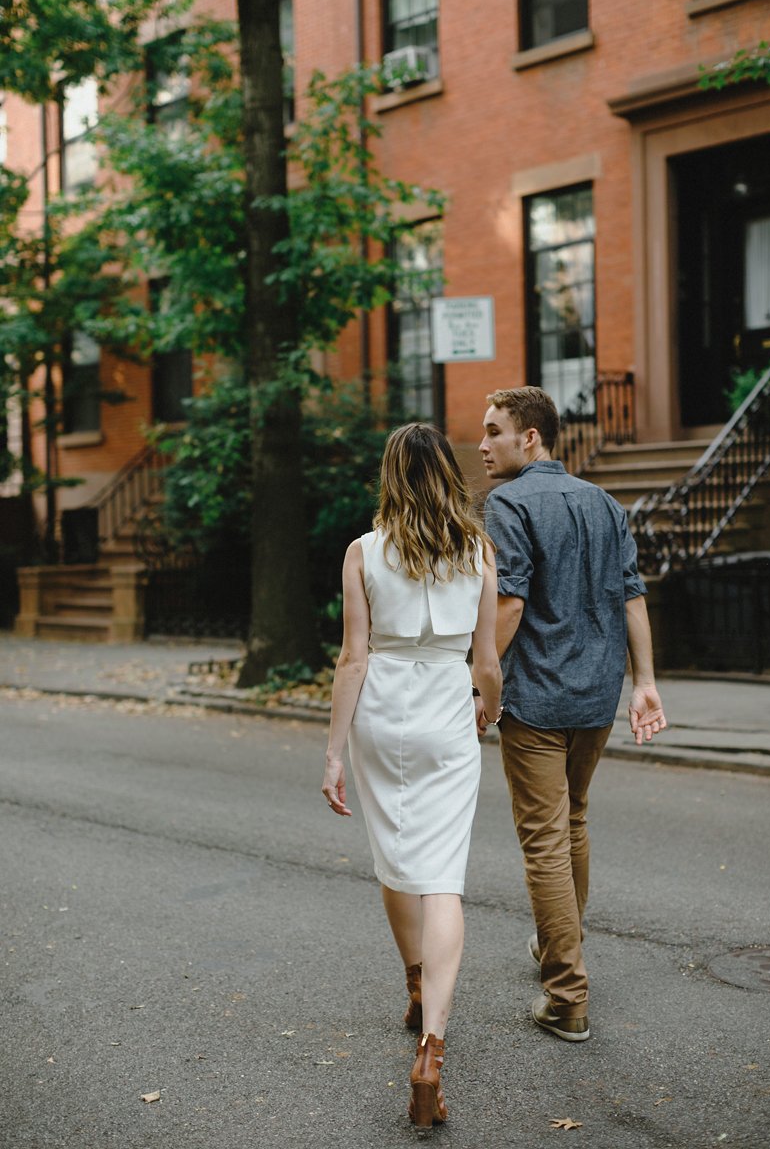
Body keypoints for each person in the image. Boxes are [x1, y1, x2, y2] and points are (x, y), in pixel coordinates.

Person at [322, 422, 503, 1130]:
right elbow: (484, 659)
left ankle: (415, 981)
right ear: (448, 475)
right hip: (446, 713)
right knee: (442, 877)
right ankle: (432, 1046)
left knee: (396, 858)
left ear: (390, 475)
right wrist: (488, 704)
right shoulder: (477, 550)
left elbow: (353, 659)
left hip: (383, 712)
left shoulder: (363, 553)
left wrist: (333, 751)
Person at [475, 386, 666, 1043]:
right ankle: (561, 947)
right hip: (596, 696)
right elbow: (632, 598)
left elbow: (508, 606)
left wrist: (477, 685)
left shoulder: (505, 504)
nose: (482, 444)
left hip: (536, 696)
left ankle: (566, 995)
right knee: (572, 821)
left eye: (494, 431)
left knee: (545, 841)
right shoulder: (603, 502)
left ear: (531, 438)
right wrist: (644, 682)